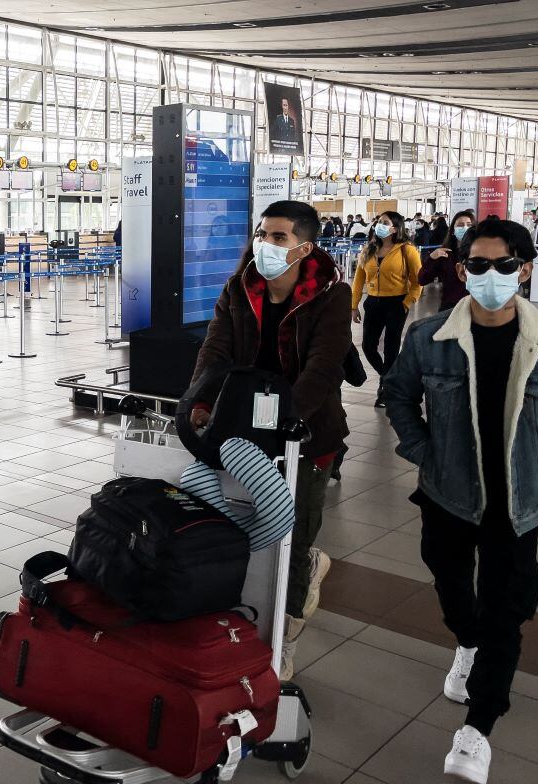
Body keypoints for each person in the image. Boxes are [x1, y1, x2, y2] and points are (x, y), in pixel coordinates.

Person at [382, 216, 538, 784]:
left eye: (502, 265)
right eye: (477, 265)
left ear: (523, 269)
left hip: (518, 501)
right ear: (461, 268)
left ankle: (477, 727)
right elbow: (397, 395)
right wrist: (424, 451)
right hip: (448, 494)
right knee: (451, 584)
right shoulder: (428, 339)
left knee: (506, 608)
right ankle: (466, 640)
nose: (489, 275)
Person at [191, 200, 351, 680]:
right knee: (233, 522)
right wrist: (198, 403)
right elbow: (214, 350)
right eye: (263, 234)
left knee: (293, 536)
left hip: (306, 432)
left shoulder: (330, 295)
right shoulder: (240, 289)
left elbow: (324, 367)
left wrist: (286, 422)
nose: (266, 244)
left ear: (305, 247)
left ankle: (286, 633)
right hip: (243, 426)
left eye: (279, 237)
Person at [351, 211, 422, 407]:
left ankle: (385, 389)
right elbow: (358, 280)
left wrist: (408, 301)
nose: (378, 225)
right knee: (368, 346)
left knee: (391, 347)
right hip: (373, 302)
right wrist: (354, 305)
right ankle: (390, 378)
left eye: (384, 222)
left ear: (394, 228)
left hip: (396, 303)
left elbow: (418, 280)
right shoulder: (369, 250)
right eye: (378, 222)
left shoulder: (406, 250)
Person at [420, 210, 474, 312]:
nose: (465, 228)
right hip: (450, 308)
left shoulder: (481, 254)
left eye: (469, 225)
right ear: (453, 230)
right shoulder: (445, 254)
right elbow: (422, 279)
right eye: (460, 225)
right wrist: (431, 258)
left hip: (476, 307)